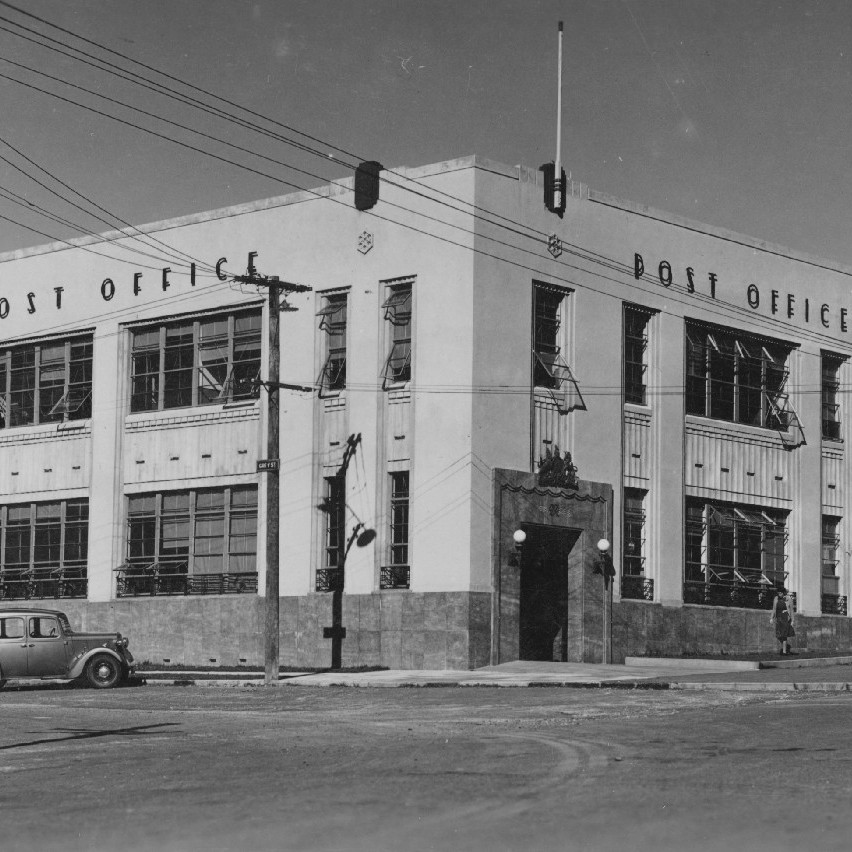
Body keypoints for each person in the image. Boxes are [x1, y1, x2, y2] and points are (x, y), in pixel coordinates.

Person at [770, 586, 795, 654]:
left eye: (780, 593)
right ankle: (786, 647)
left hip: (785, 618)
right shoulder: (776, 598)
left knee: (784, 635)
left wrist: (792, 620)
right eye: (778, 593)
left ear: (783, 593)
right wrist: (771, 618)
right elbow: (774, 609)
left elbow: (791, 610)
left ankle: (784, 651)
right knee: (779, 635)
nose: (779, 594)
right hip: (778, 618)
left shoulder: (788, 599)